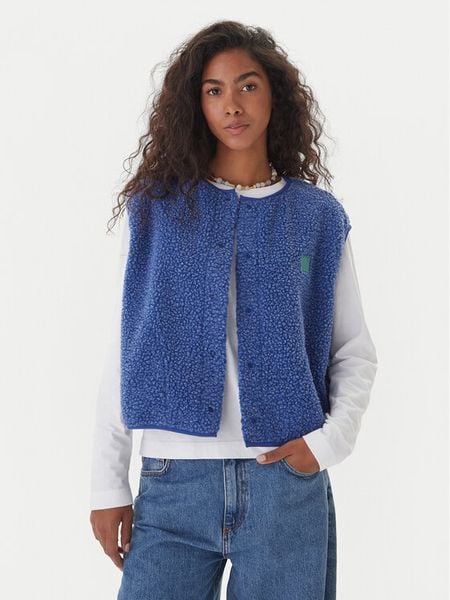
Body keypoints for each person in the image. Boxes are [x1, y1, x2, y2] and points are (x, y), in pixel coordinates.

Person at [89, 20, 378, 600]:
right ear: (196, 105)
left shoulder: (317, 218)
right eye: (214, 90)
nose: (232, 105)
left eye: (247, 86)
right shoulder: (158, 212)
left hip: (285, 484)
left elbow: (353, 350)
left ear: (275, 94)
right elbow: (128, 347)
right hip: (171, 483)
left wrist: (327, 445)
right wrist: (107, 482)